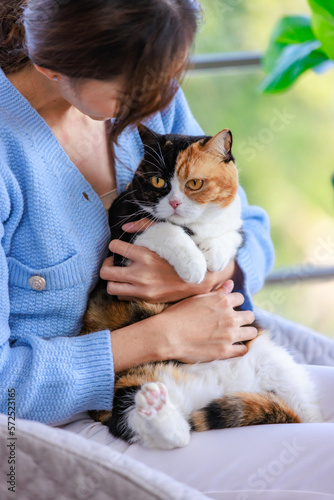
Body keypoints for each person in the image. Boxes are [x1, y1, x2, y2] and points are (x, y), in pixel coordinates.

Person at [0, 1, 333, 498]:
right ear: (52, 64)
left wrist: (196, 280)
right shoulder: (11, 160)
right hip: (83, 419)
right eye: (135, 92)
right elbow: (7, 389)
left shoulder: (149, 92)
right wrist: (162, 336)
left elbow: (253, 228)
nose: (156, 103)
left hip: (204, 367)